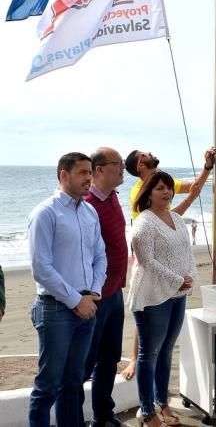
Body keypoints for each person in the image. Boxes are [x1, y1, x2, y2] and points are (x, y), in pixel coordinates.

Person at [122, 146, 215, 381]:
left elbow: (193, 187)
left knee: (163, 338)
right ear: (140, 165)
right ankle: (135, 359)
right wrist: (184, 208)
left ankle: (158, 394)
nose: (151, 152)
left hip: (171, 248)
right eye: (145, 154)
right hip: (152, 251)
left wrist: (206, 167)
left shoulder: (164, 181)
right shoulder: (138, 194)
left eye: (167, 189)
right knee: (148, 304)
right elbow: (150, 248)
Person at [28, 152, 107, 427]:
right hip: (55, 309)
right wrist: (76, 300)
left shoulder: (90, 211)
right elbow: (41, 267)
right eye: (83, 172)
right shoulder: (45, 213)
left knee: (74, 383)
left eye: (90, 172)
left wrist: (94, 290)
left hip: (87, 306)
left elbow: (100, 255)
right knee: (47, 385)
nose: (90, 178)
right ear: (64, 175)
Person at [127, 171, 197, 427]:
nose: (166, 192)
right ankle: (147, 410)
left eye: (168, 188)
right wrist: (177, 279)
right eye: (159, 188)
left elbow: (187, 252)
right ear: (148, 192)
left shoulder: (176, 218)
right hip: (152, 296)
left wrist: (191, 276)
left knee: (167, 351)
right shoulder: (144, 222)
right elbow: (146, 261)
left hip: (178, 295)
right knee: (149, 353)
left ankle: (162, 402)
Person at [83, 148, 128, 427]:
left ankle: (103, 416)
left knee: (109, 359)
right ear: (99, 170)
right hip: (95, 297)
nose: (123, 167)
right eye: (118, 163)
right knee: (84, 365)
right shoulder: (87, 204)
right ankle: (76, 418)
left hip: (115, 293)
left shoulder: (112, 197)